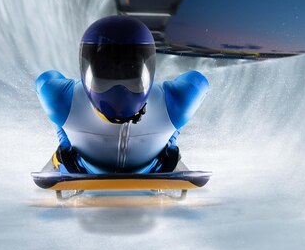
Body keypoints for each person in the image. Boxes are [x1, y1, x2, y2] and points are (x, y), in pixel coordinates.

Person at [36, 15, 209, 174]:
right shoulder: (176, 103)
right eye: (108, 69)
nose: (119, 87)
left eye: (128, 70)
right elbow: (197, 81)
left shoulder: (60, 100)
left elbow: (45, 80)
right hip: (155, 167)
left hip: (80, 168)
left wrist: (62, 131)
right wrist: (173, 133)